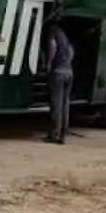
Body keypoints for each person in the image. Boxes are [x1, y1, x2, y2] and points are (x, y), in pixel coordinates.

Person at [43, 12, 75, 144]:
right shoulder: (63, 33)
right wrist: (67, 62)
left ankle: (54, 134)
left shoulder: (52, 30)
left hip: (58, 72)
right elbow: (71, 50)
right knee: (65, 104)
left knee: (56, 104)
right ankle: (63, 134)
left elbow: (53, 45)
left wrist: (49, 63)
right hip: (69, 71)